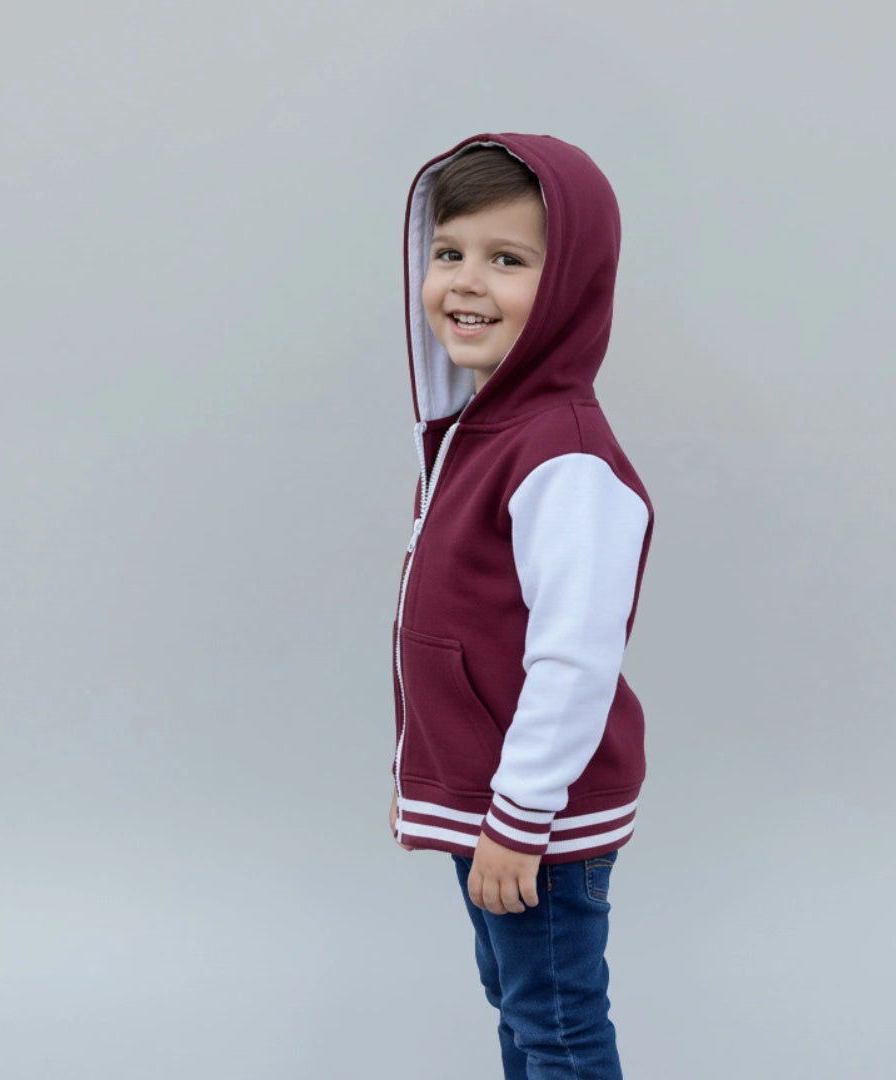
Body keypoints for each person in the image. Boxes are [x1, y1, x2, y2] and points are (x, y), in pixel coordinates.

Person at [388, 133, 653, 1080]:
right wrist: (430, 779)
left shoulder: (564, 457)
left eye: (508, 261)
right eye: (449, 252)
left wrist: (515, 819)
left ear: (572, 285)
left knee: (557, 1028)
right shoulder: (481, 429)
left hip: (535, 816)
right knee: (521, 1010)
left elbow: (573, 662)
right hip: (494, 805)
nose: (466, 282)